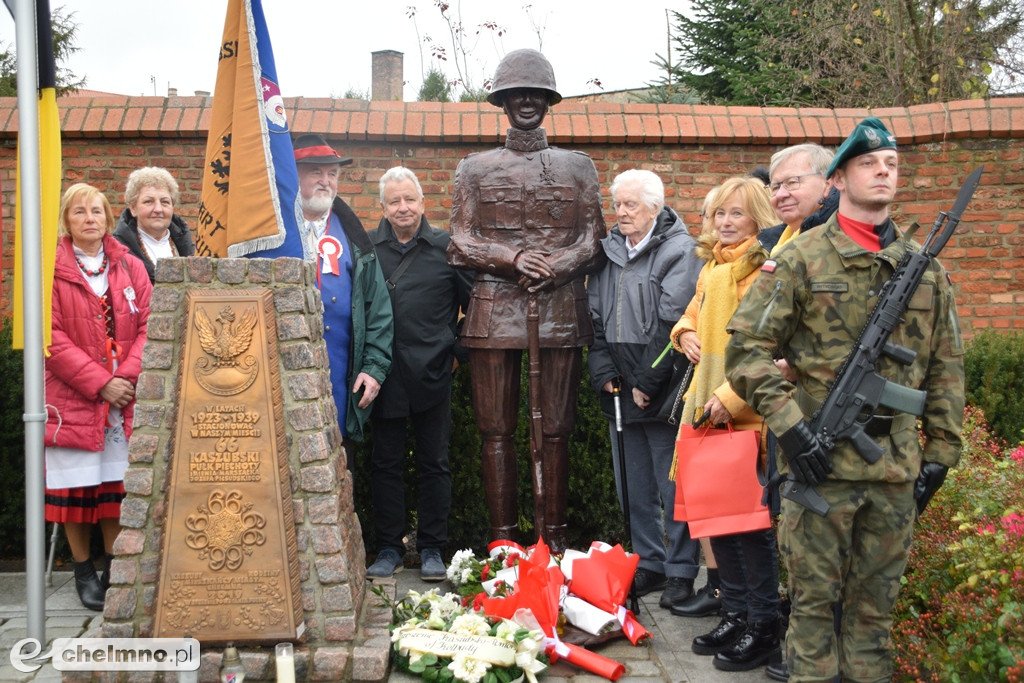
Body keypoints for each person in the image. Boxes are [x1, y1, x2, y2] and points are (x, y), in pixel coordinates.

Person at [725, 117, 965, 682]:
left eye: (891, 164)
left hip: (896, 469)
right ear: (837, 179)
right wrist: (789, 425)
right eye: (867, 163)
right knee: (810, 615)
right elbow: (746, 353)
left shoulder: (925, 270)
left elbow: (945, 367)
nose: (883, 171)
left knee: (873, 619)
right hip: (821, 467)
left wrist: (941, 455)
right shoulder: (800, 260)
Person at [447, 49, 605, 553]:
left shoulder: (577, 167)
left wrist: (558, 265)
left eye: (535, 93)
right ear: (503, 101)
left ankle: (553, 544)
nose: (527, 102)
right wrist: (512, 256)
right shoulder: (474, 169)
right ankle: (504, 546)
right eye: (517, 94)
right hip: (494, 309)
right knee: (495, 432)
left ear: (548, 100)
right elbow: (459, 242)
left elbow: (593, 239)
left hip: (557, 309)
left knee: (557, 430)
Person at [670, 176, 783, 672]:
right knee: (719, 519)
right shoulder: (714, 267)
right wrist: (684, 333)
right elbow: (690, 317)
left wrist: (732, 398)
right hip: (707, 406)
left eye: (736, 213)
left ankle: (763, 623)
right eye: (719, 214)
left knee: (750, 527)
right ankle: (735, 613)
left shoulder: (764, 271)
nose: (726, 222)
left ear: (759, 217)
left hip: (743, 411)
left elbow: (773, 347)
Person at [587, 169, 703, 609]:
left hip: (664, 383)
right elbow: (594, 317)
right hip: (620, 382)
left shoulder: (679, 249)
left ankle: (680, 571)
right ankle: (649, 562)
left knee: (672, 485)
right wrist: (602, 370)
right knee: (630, 483)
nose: (622, 214)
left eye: (631, 205)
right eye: (617, 205)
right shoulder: (608, 251)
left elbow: (674, 320)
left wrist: (647, 383)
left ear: (655, 207)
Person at [44, 183, 152, 611]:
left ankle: (113, 567)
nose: (89, 218)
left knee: (113, 485)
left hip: (123, 396)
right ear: (66, 221)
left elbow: (151, 325)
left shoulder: (130, 266)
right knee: (76, 492)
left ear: (109, 218)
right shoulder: (49, 269)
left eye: (96, 211)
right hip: (73, 395)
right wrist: (98, 382)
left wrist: (124, 378)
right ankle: (83, 569)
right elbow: (47, 336)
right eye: (79, 212)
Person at [364, 166, 472, 581]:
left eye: (410, 199)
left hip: (433, 375)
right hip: (383, 377)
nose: (403, 207)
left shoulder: (448, 248)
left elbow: (476, 305)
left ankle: (431, 549)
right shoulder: (368, 248)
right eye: (395, 201)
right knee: (385, 464)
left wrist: (457, 352)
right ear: (383, 206)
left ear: (423, 203)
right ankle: (389, 548)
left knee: (435, 464)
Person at [291, 133, 393, 448]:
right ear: (292, 175)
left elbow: (379, 311)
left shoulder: (354, 238)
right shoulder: (269, 233)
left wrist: (374, 369)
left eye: (332, 174)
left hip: (339, 382)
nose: (326, 181)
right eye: (315, 172)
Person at [113, 166, 196, 282]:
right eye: (148, 201)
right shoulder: (116, 251)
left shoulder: (187, 249)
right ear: (133, 208)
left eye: (165, 202)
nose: (158, 209)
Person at [760, 143, 837, 255]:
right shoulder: (770, 245)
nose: (780, 194)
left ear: (827, 185)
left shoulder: (841, 240)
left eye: (792, 182)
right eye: (775, 187)